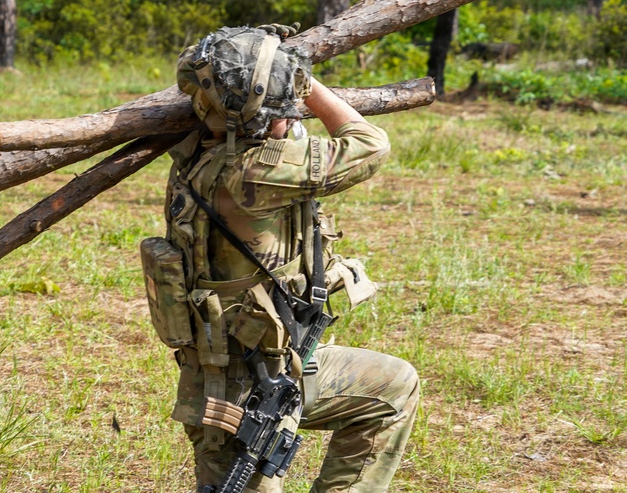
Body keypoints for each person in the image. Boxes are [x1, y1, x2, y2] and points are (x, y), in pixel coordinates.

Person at [141, 25, 419, 493]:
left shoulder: (194, 155)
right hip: (261, 384)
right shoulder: (262, 169)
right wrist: (302, 80)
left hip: (208, 384)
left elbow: (196, 68)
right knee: (394, 388)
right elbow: (370, 144)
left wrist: (254, 48)